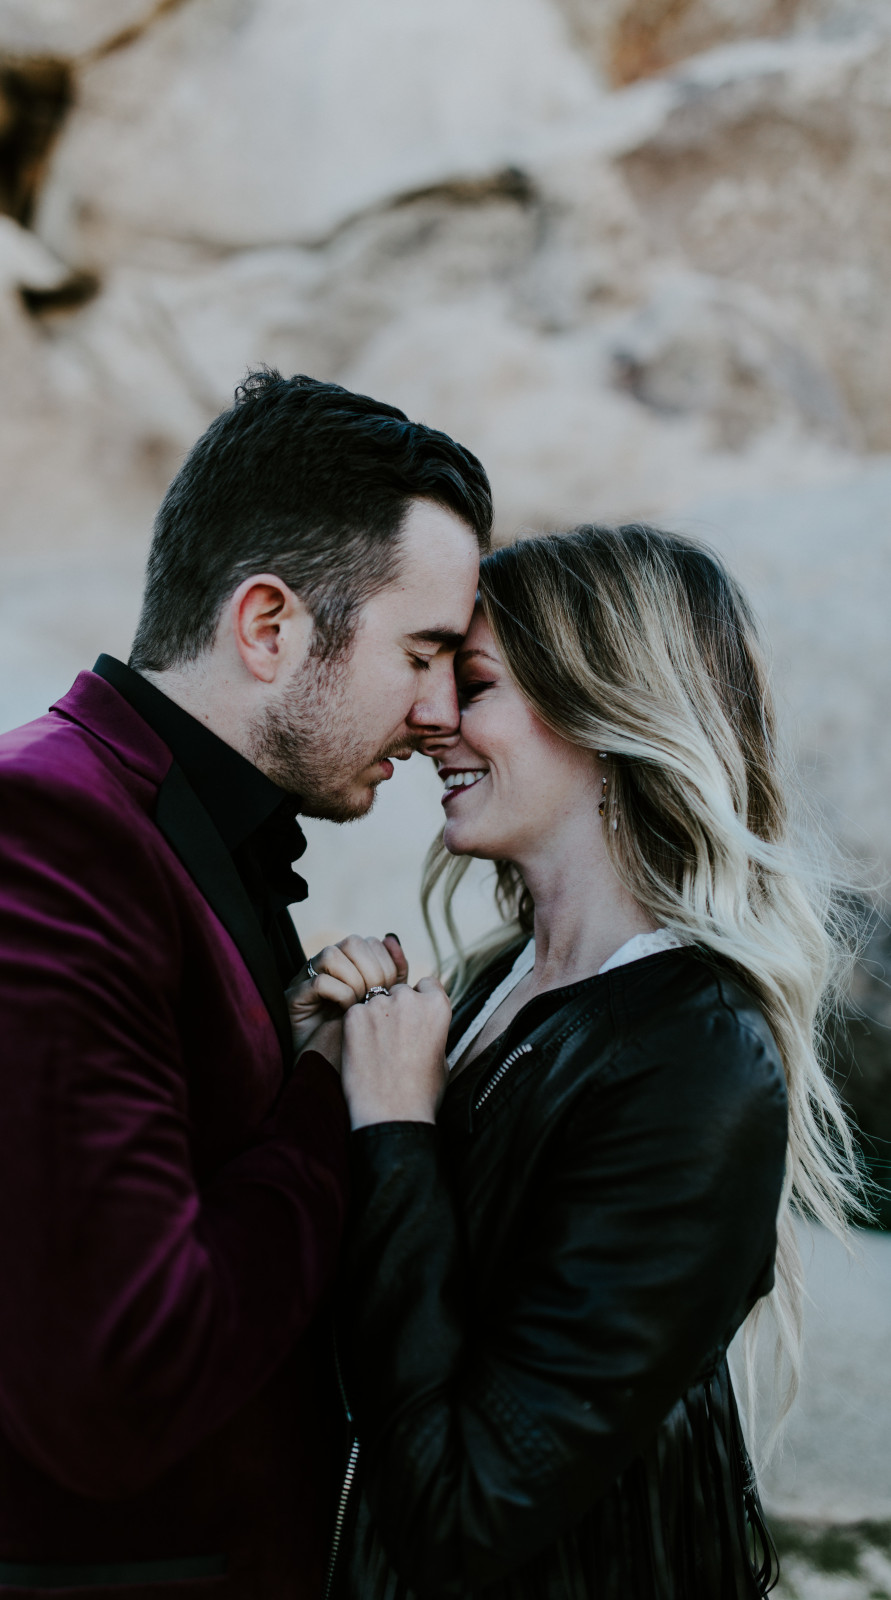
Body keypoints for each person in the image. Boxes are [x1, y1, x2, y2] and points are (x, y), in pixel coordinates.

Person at [0, 370, 492, 1599]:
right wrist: (331, 1092)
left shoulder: (164, 836)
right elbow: (116, 1382)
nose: (437, 710)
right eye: (420, 653)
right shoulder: (21, 835)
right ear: (267, 626)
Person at [296, 525, 860, 1599]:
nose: (430, 725)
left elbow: (465, 1513)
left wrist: (396, 1130)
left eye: (474, 684)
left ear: (603, 713)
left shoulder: (693, 1057)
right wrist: (321, 1070)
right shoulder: (487, 983)